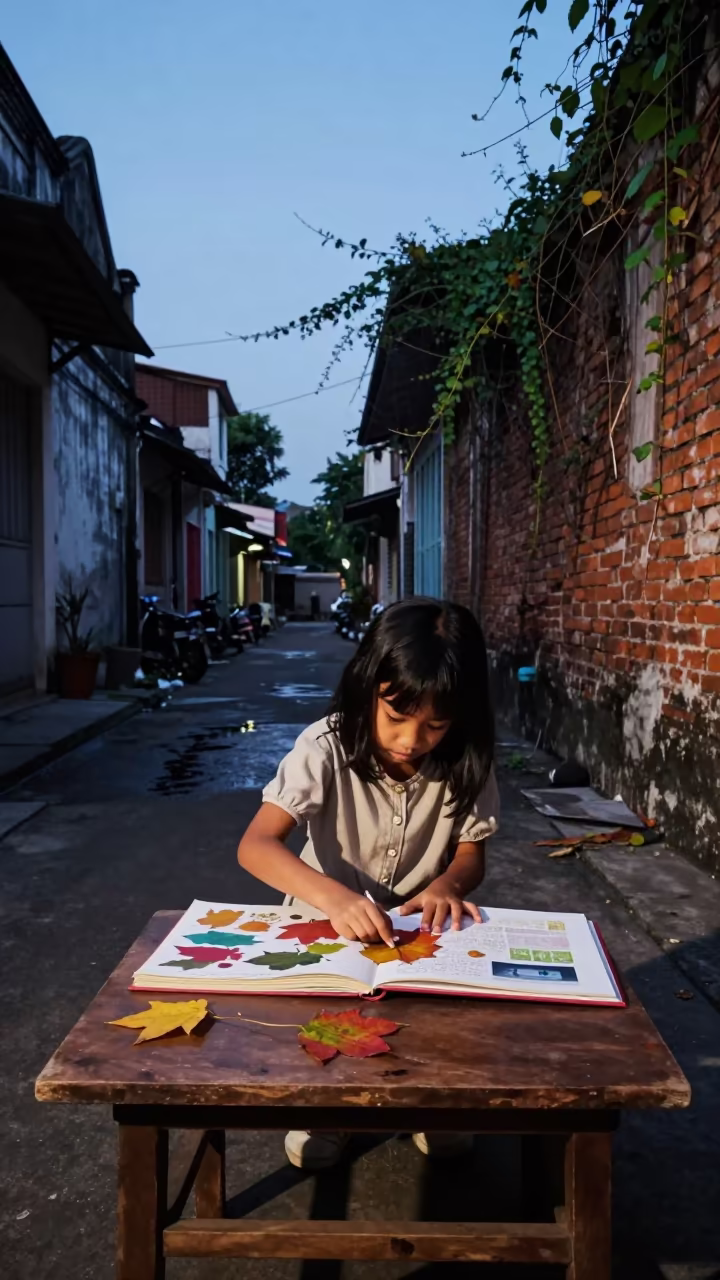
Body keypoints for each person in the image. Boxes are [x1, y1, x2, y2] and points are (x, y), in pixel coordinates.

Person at [237, 597, 499, 1169]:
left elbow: (471, 854)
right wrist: (333, 898)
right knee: (331, 1023)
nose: (411, 740)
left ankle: (427, 1104)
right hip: (325, 923)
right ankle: (328, 1112)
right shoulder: (325, 745)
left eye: (435, 725)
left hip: (417, 926)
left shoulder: (467, 758)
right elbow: (255, 844)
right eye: (396, 716)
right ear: (367, 686)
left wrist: (448, 885)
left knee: (428, 1021)